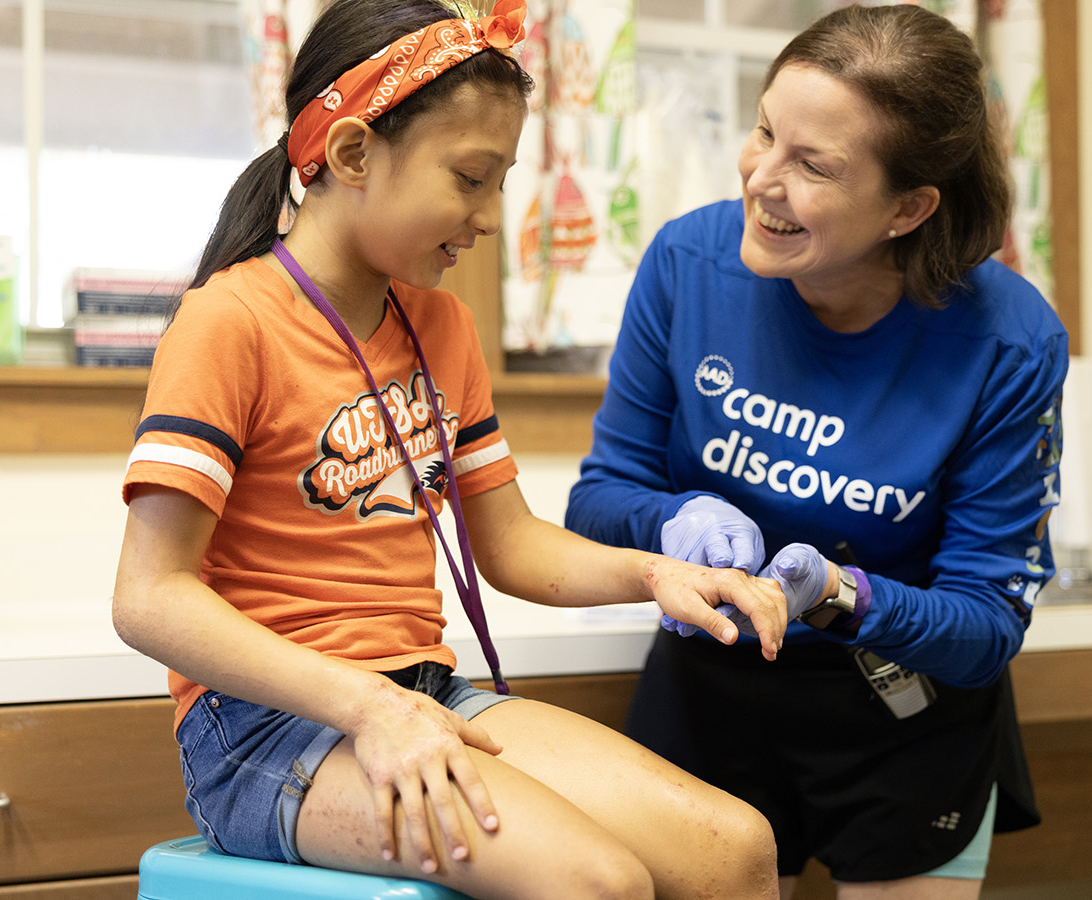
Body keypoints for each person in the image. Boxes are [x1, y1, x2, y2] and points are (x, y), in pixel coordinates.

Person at [110, 2, 792, 898]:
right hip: (263, 729)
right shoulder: (229, 322)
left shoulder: (440, 325)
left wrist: (653, 573)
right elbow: (148, 600)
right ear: (353, 154)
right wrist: (368, 705)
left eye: (503, 181)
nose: (492, 216)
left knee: (736, 848)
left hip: (423, 692)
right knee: (599, 883)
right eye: (472, 178)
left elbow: (509, 546)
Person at [564, 5, 1066, 899]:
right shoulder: (688, 262)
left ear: (908, 207)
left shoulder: (1007, 340)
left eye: (813, 165)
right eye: (764, 132)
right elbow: (601, 495)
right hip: (710, 688)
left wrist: (844, 596)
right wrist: (676, 518)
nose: (762, 177)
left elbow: (988, 625)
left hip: (902, 709)